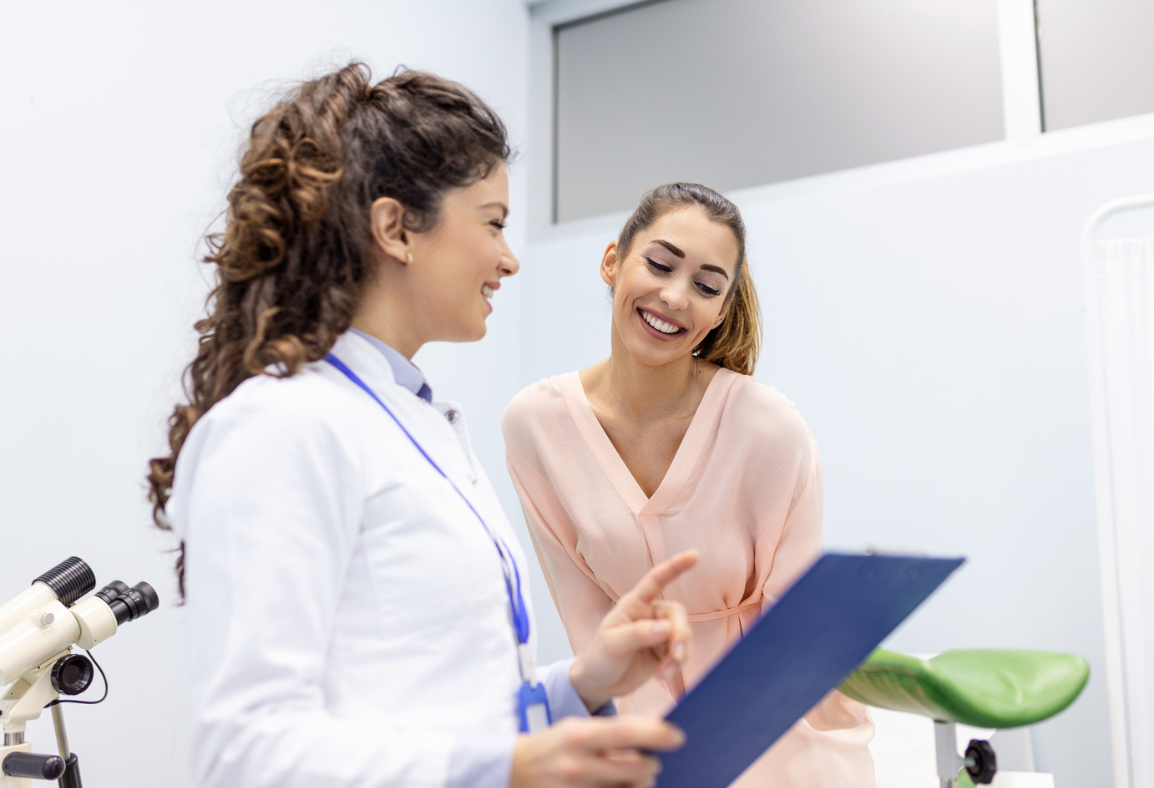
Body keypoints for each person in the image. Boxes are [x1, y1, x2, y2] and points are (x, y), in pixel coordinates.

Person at [147, 63, 697, 788]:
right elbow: (245, 755)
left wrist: (580, 685)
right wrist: (505, 769)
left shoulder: (416, 421)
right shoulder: (282, 428)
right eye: (494, 222)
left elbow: (431, 701)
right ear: (396, 228)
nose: (508, 259)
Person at [502, 183, 876, 787]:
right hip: (643, 733)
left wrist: (712, 756)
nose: (674, 297)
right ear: (612, 261)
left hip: (782, 727)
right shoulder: (535, 424)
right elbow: (590, 621)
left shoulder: (769, 427)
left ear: (722, 310)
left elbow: (793, 629)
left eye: (706, 286)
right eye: (659, 264)